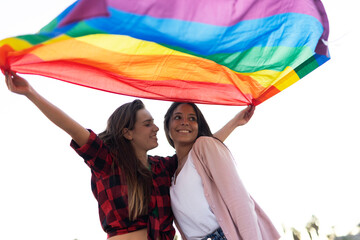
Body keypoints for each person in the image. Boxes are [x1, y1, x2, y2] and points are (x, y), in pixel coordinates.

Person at [4, 71, 255, 240]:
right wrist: (31, 93)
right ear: (128, 132)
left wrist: (234, 123)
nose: (156, 128)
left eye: (155, 122)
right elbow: (72, 127)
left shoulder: (162, 168)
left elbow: (200, 155)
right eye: (147, 124)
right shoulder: (107, 161)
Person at [164, 102, 280, 240]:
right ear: (167, 126)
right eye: (178, 117)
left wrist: (234, 122)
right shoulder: (170, 171)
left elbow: (239, 200)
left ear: (198, 126)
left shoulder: (203, 146)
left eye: (192, 118)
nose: (185, 122)